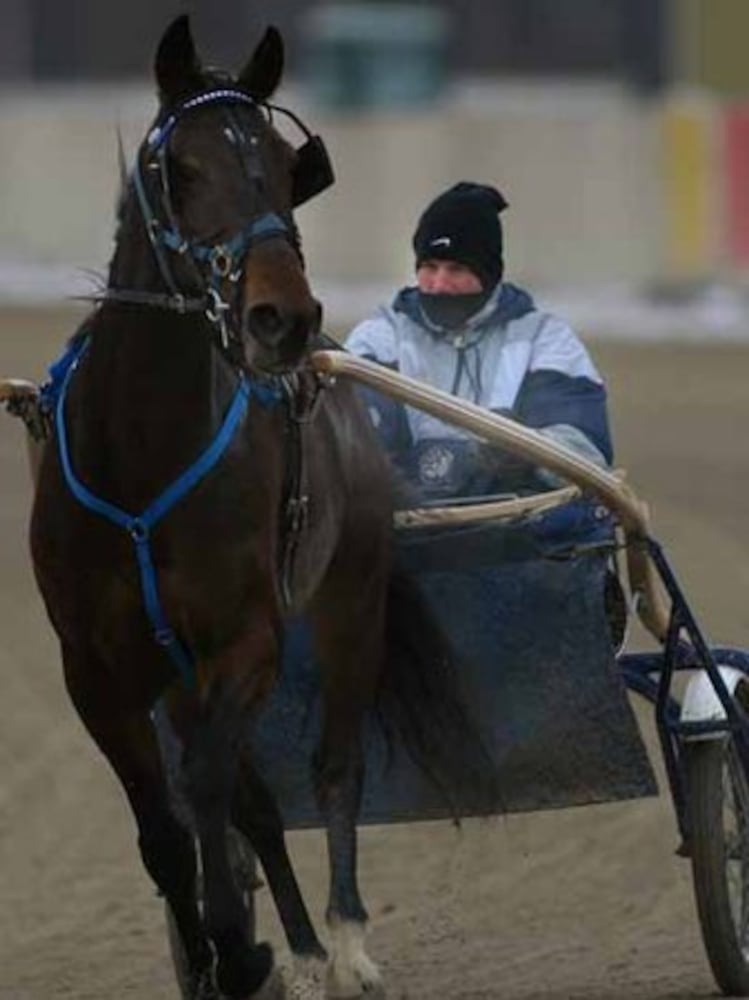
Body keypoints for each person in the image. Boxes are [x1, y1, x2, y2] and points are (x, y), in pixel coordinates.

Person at [345, 181, 613, 501]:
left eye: (456, 269)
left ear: (490, 275)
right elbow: (349, 442)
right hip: (402, 529)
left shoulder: (543, 339)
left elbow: (588, 451)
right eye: (430, 267)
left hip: (514, 532)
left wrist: (525, 453)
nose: (439, 285)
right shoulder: (379, 337)